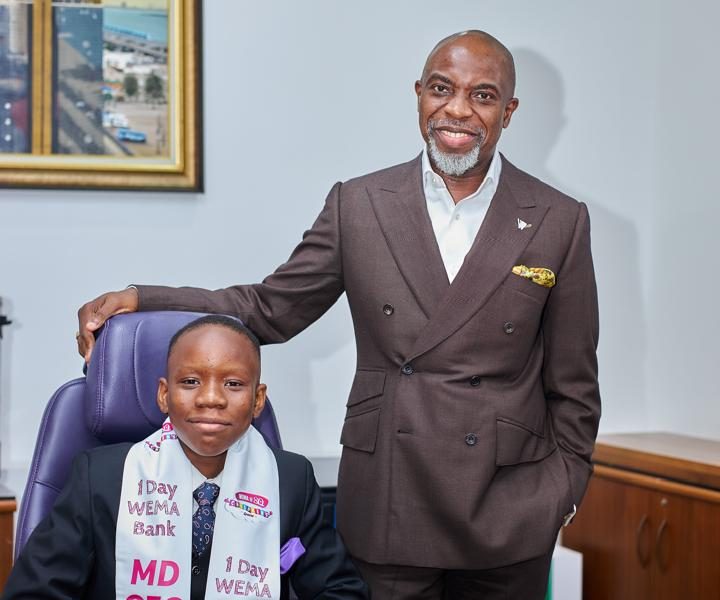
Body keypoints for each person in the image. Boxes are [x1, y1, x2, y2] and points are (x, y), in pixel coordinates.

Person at [76, 30, 601, 599]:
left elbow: (574, 383)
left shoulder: (557, 219)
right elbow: (270, 308)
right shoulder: (360, 204)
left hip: (508, 509)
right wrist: (144, 297)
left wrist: (561, 493)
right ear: (419, 94)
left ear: (508, 112)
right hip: (391, 499)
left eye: (483, 95)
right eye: (441, 89)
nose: (457, 109)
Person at [4, 315, 369, 600]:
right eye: (191, 381)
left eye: (233, 384)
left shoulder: (290, 479)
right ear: (164, 395)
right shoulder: (100, 477)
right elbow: (34, 593)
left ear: (258, 400)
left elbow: (339, 590)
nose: (211, 398)